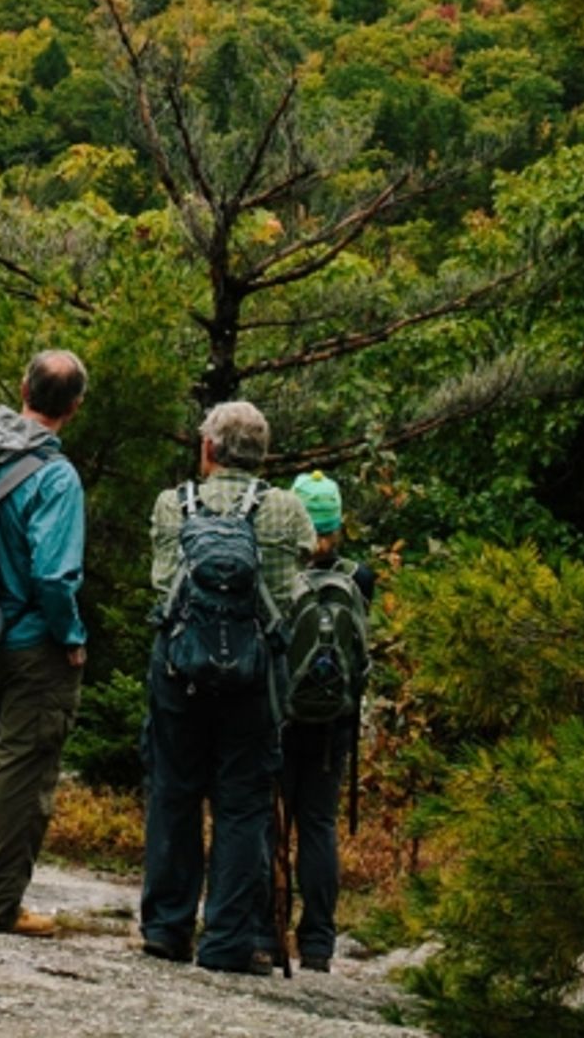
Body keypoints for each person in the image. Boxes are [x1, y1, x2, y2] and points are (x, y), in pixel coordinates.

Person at [140, 398, 315, 973]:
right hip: (254, 677)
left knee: (174, 793)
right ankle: (226, 942)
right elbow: (297, 588)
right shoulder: (287, 509)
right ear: (263, 455)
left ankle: (167, 928)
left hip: (178, 671)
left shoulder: (174, 504)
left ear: (209, 448)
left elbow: (161, 580)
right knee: (242, 807)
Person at [0, 348, 89, 939]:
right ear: (75, 408)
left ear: (22, 388)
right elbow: (54, 575)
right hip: (34, 643)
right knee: (21, 778)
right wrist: (72, 637)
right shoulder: (56, 478)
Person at [279, 469, 375, 974]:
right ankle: (317, 943)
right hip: (333, 723)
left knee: (270, 820)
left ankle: (263, 928)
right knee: (317, 825)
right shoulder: (359, 578)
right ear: (337, 523)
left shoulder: (280, 572)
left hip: (281, 716)